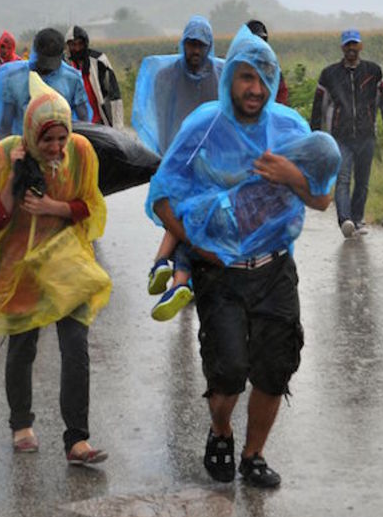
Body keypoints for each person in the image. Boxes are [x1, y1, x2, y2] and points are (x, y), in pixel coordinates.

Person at [145, 26, 340, 488]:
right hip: (221, 273)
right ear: (230, 75)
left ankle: (253, 455)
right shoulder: (205, 126)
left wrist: (293, 174)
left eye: (264, 77)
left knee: (274, 370)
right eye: (246, 77)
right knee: (229, 370)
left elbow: (323, 200)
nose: (255, 88)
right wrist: (197, 244)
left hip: (275, 269)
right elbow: (163, 196)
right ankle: (220, 431)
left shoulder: (290, 126)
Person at [0, 72, 111, 465]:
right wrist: (12, 182)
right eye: (47, 139)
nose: (56, 148)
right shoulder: (7, 155)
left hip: (66, 265)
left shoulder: (82, 152)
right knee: (23, 345)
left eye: (61, 138)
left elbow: (90, 206)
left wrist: (52, 208)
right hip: (19, 266)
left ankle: (77, 440)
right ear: (31, 134)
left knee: (75, 348)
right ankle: (21, 424)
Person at [131, 15, 224, 321]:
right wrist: (167, 155)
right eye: (190, 43)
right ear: (183, 44)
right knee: (182, 215)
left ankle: (166, 268)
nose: (195, 50)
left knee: (187, 216)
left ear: (209, 46)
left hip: (210, 160)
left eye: (200, 45)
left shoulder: (221, 74)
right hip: (179, 156)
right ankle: (179, 277)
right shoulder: (167, 76)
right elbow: (161, 116)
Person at [310, 29, 383, 238]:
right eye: (347, 45)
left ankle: (357, 218)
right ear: (342, 48)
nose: (351, 49)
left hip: (366, 136)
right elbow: (319, 106)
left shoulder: (374, 72)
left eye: (354, 45)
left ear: (360, 47)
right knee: (343, 179)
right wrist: (315, 136)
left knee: (362, 182)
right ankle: (345, 220)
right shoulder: (329, 75)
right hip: (340, 137)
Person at [0, 28, 91, 157]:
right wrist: (4, 156)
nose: (47, 68)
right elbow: (5, 125)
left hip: (59, 154)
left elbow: (84, 120)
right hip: (23, 155)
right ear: (36, 53)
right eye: (44, 61)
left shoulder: (72, 79)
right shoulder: (15, 79)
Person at [66, 25, 124, 128]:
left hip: (99, 121)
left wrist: (118, 126)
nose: (77, 48)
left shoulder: (99, 61)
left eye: (80, 44)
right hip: (73, 123)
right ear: (68, 46)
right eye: (73, 45)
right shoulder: (64, 64)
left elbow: (114, 94)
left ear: (85, 44)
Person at [245, 19, 289, 106]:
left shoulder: (272, 65)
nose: (258, 43)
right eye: (255, 39)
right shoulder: (236, 64)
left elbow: (281, 92)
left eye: (261, 39)